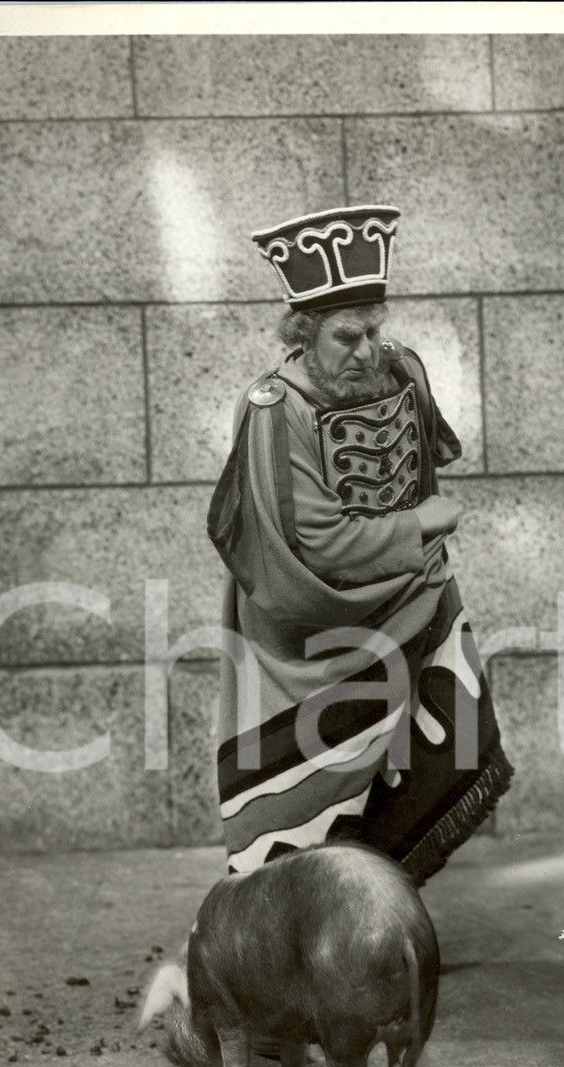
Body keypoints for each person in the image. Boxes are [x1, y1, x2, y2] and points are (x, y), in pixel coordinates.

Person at [207, 204, 512, 884]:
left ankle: (373, 899)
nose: (367, 351)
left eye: (374, 331)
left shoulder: (401, 370)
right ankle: (308, 911)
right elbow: (315, 545)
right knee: (312, 798)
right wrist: (422, 523)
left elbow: (421, 464)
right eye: (347, 337)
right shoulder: (274, 411)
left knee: (424, 758)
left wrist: (419, 533)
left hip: (408, 602)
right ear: (303, 334)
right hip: (309, 629)